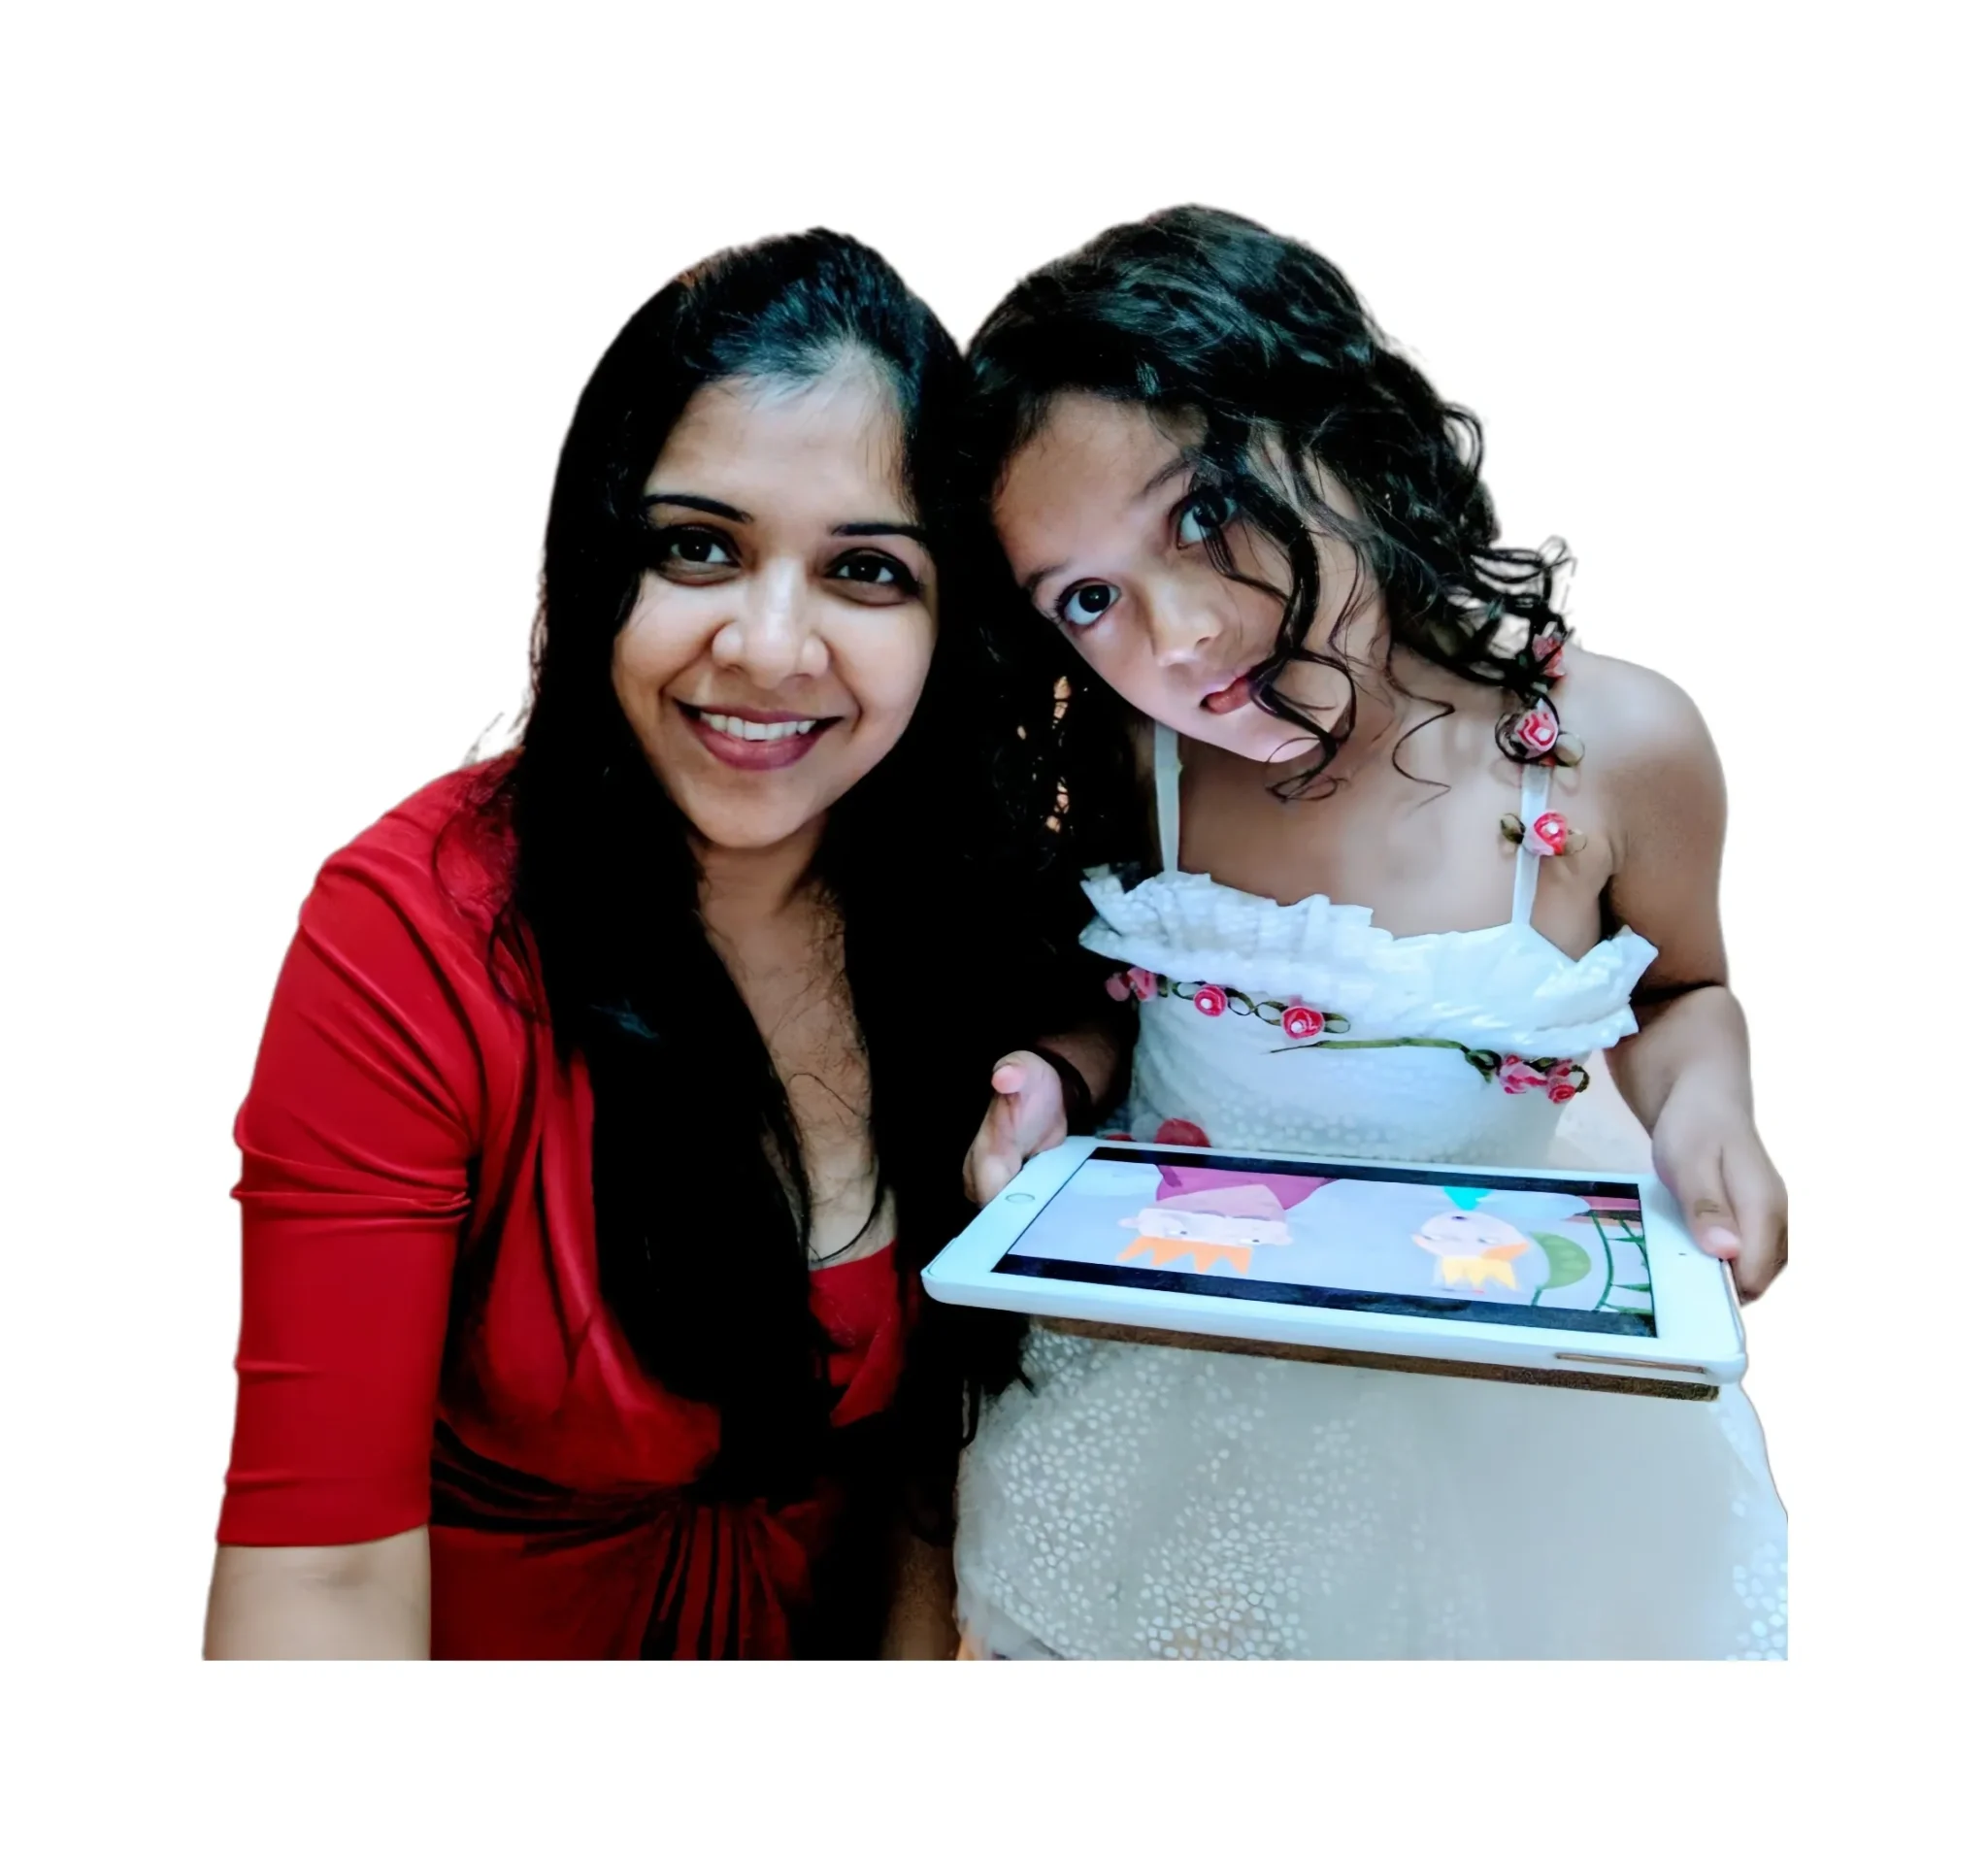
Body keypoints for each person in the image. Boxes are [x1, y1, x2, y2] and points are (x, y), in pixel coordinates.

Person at [204, 229, 1089, 1658]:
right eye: (698, 547)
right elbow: (321, 1581)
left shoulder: (976, 906)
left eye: (866, 570)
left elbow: (940, 1486)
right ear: (594, 555)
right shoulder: (407, 938)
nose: (768, 644)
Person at [951, 206, 1789, 1659]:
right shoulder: (1133, 756)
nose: (1179, 635)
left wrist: (1709, 1099)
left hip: (1496, 1394)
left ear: (1345, 427)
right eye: (1089, 598)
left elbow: (1681, 987)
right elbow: (1110, 987)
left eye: (1204, 512)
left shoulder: (1607, 751)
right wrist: (1058, 1075)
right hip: (1178, 1376)